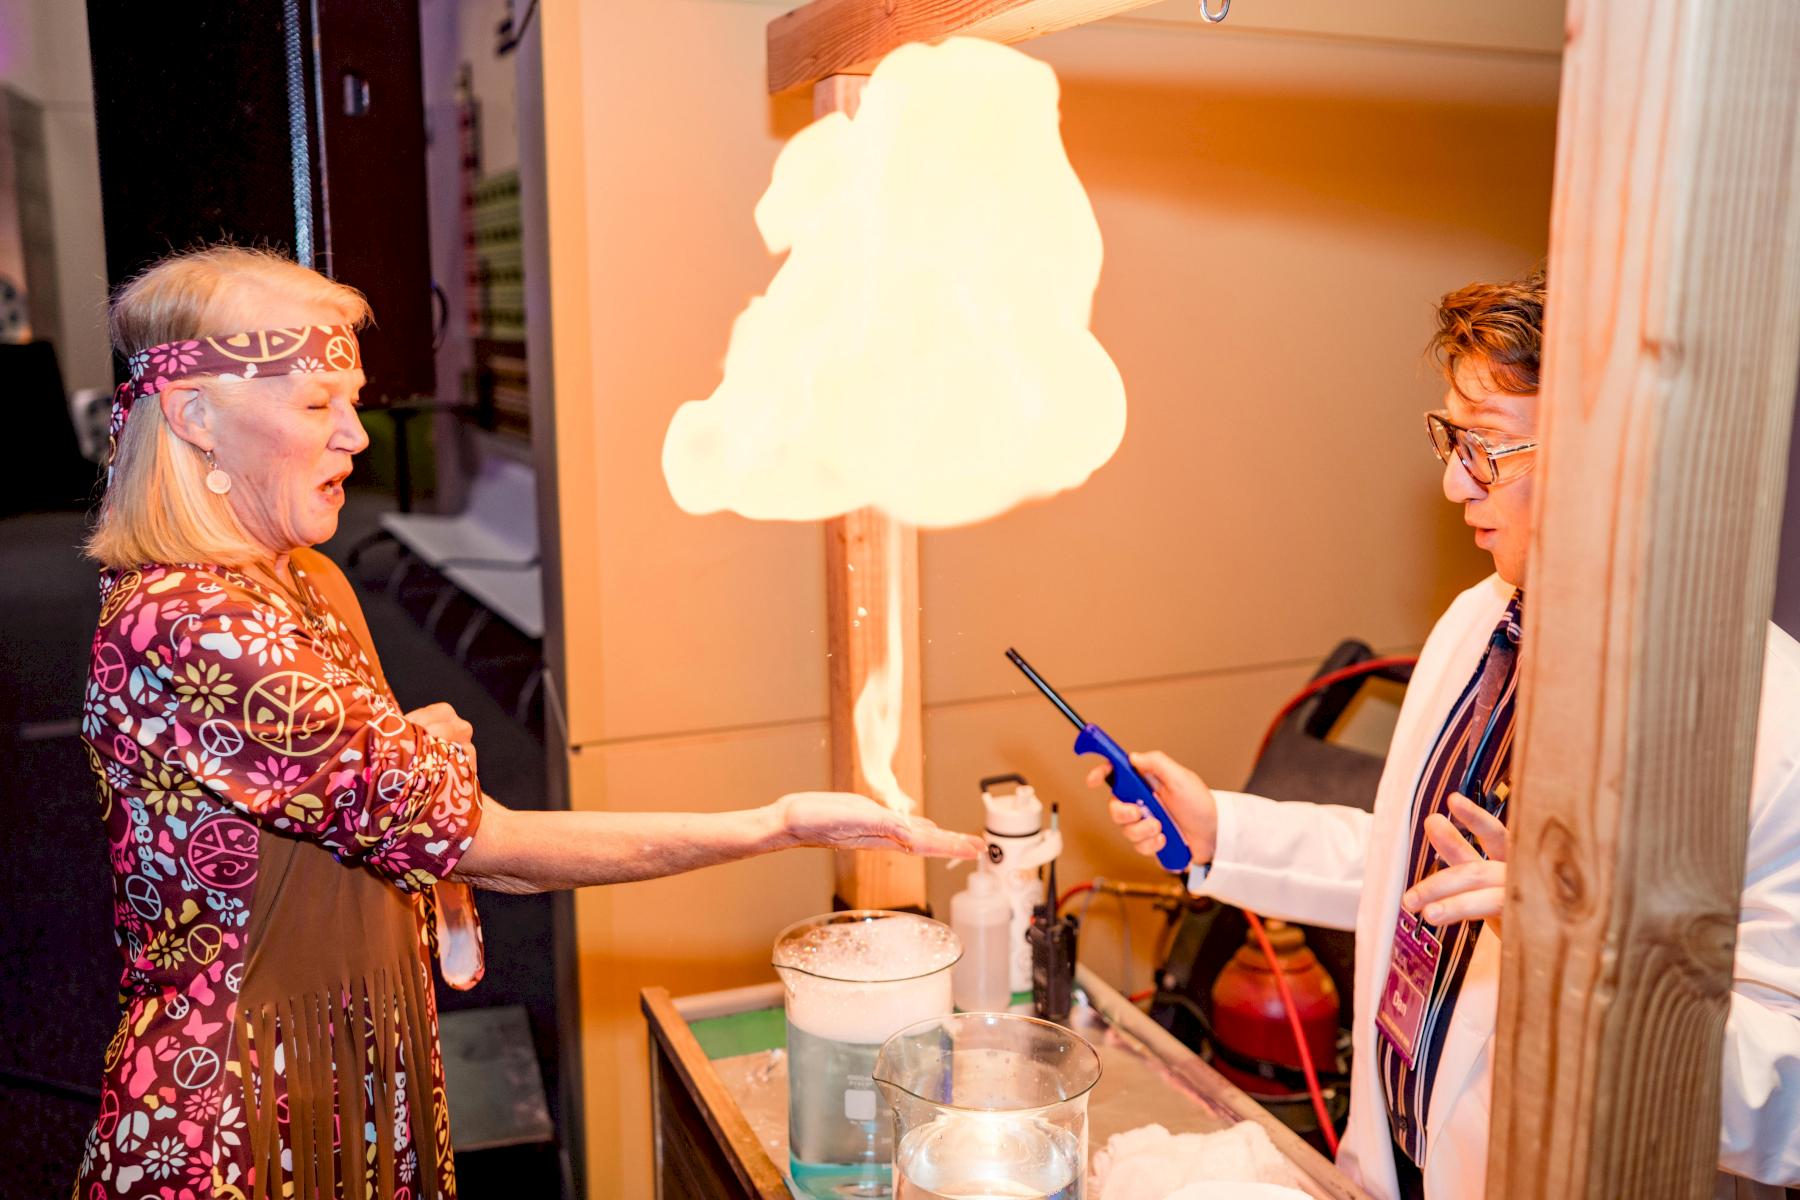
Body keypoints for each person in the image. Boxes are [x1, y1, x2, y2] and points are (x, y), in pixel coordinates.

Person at [74, 246, 980, 1200]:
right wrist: (774, 825)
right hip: (241, 1115)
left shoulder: (309, 580)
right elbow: (490, 847)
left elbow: (347, 792)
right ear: (195, 416)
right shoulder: (186, 622)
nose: (357, 435)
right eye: (314, 405)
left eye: (353, 400)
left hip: (356, 1069)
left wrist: (401, 756)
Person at [1096, 266, 1800, 1200]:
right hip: (1404, 1157)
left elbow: (1784, 1104)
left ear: (1614, 457)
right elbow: (1424, 872)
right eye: (1451, 438)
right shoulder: (1482, 620)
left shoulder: (1769, 725)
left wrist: (1576, 958)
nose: (1451, 481)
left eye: (1487, 446)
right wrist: (1222, 831)